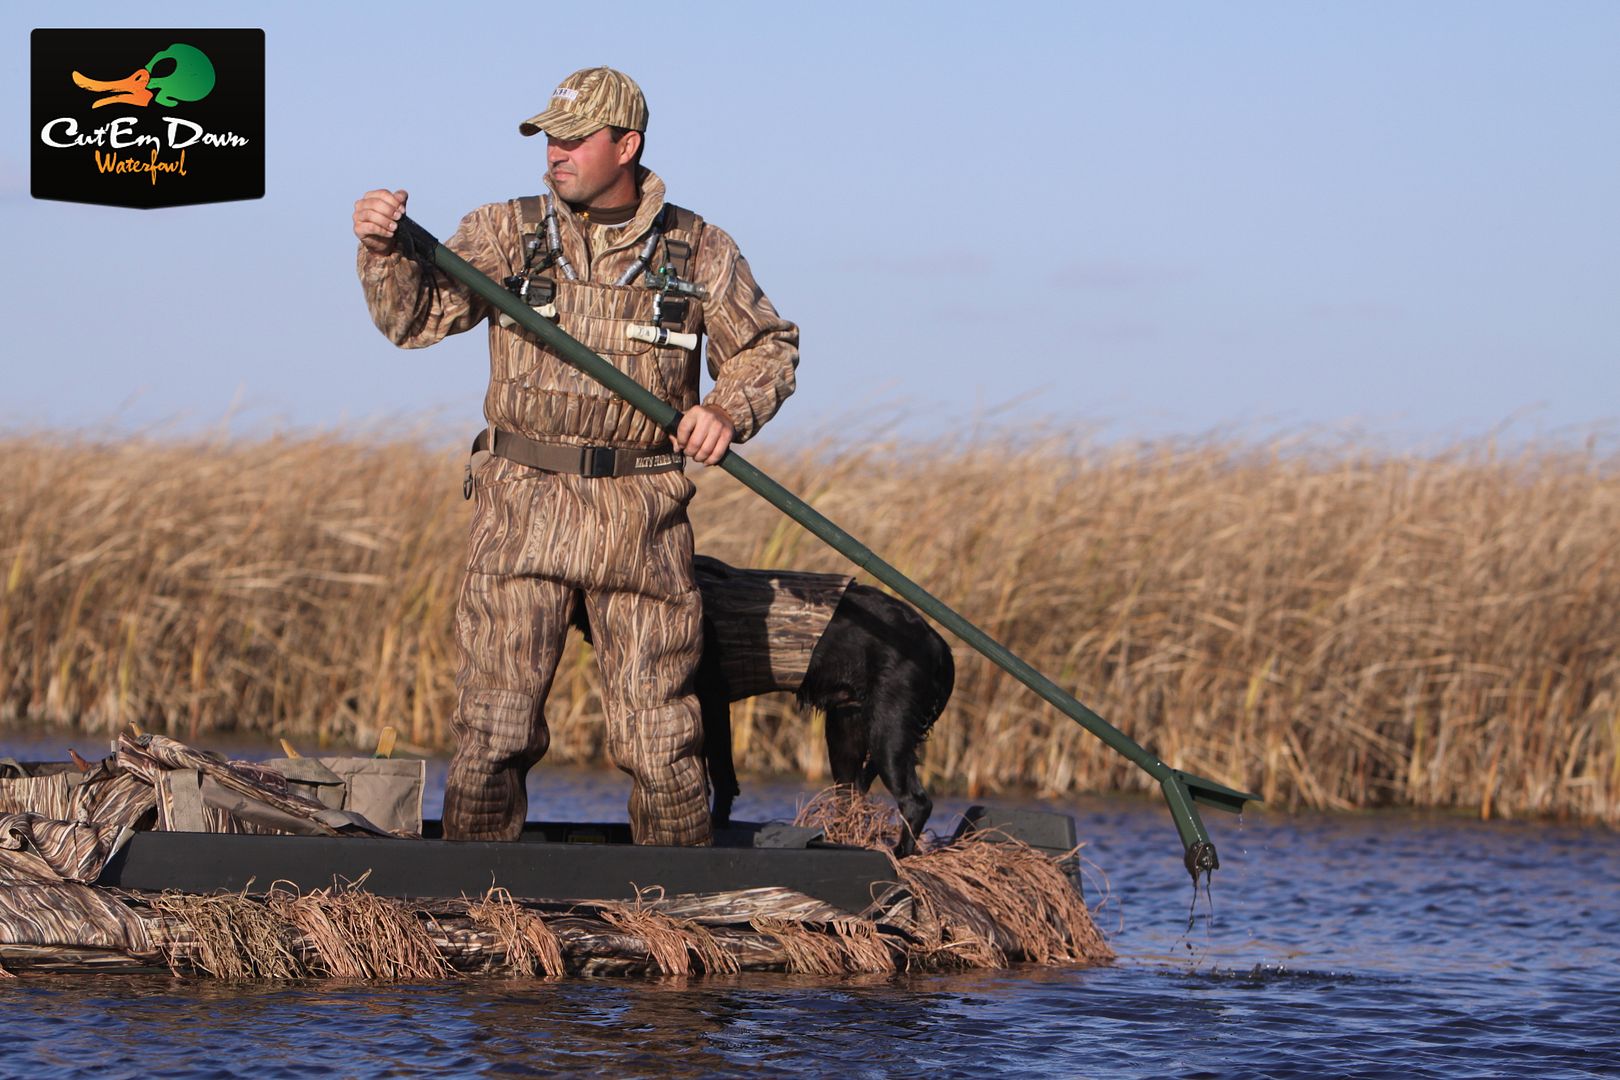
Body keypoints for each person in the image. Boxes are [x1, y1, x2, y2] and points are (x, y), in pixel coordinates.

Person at [351, 66, 798, 846]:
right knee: (494, 729)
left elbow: (768, 347)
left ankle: (679, 908)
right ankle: (472, 905)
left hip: (641, 515)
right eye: (547, 138)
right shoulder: (503, 231)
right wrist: (383, 249)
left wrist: (727, 410)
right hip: (518, 507)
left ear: (626, 146)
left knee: (661, 740)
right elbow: (413, 321)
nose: (554, 153)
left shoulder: (699, 251)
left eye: (573, 138)